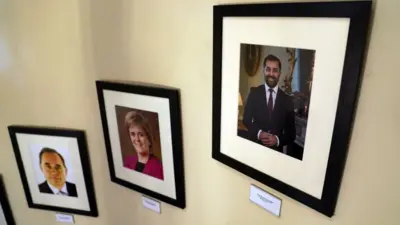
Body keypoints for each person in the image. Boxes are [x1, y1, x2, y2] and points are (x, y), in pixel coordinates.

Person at [242, 54, 296, 153]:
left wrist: (277, 140)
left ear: (279, 73)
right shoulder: (254, 93)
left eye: (275, 70)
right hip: (254, 148)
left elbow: (292, 133)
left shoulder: (287, 100)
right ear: (264, 70)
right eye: (268, 69)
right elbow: (246, 119)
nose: (271, 73)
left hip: (275, 154)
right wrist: (259, 133)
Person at [123, 110, 164, 180]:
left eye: (141, 135)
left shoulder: (159, 168)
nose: (137, 139)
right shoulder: (127, 162)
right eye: (133, 134)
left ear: (149, 139)